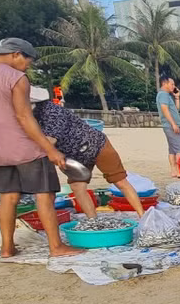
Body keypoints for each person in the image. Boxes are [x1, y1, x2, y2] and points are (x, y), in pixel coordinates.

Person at [0, 38, 80, 258]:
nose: (28, 67)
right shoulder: (16, 78)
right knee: (44, 194)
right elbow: (25, 118)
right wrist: (51, 150)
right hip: (23, 148)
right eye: (28, 61)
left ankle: (7, 248)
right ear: (16, 54)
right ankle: (56, 247)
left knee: (8, 196)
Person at [29, 86, 145, 216]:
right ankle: (92, 221)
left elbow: (50, 141)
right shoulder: (33, 117)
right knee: (77, 187)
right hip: (74, 156)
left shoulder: (52, 113)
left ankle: (142, 215)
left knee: (119, 181)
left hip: (96, 145)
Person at [156, 75, 180, 178]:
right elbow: (165, 110)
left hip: (169, 125)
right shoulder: (163, 95)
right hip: (171, 125)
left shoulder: (167, 96)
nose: (174, 86)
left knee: (172, 150)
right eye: (172, 84)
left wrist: (177, 98)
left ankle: (174, 171)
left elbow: (175, 110)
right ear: (164, 83)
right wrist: (173, 124)